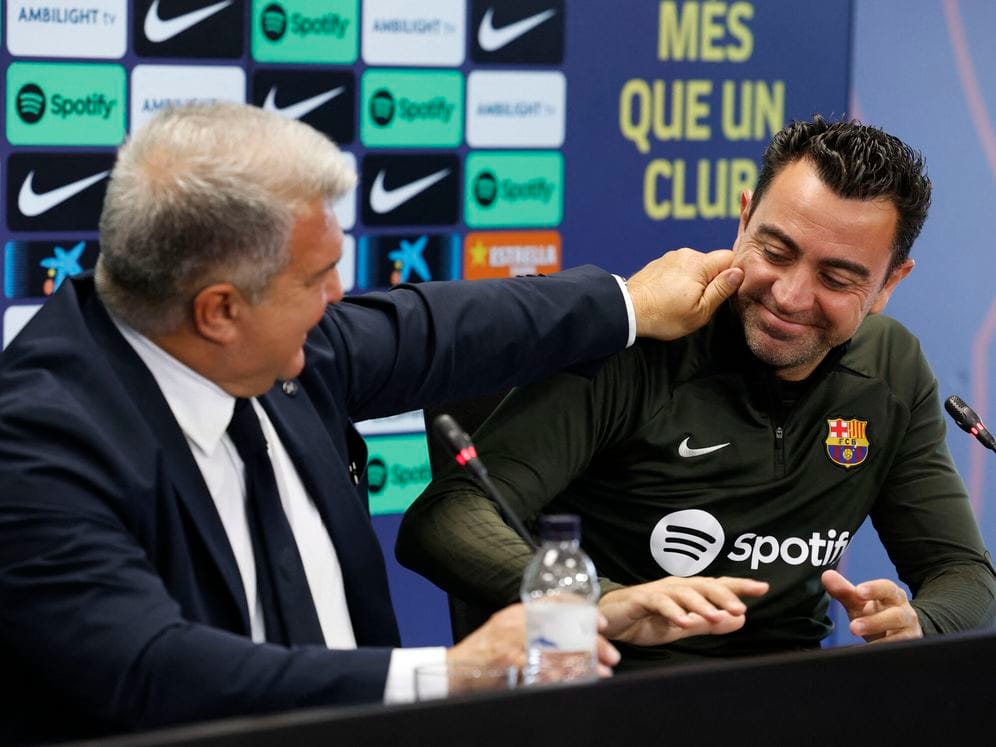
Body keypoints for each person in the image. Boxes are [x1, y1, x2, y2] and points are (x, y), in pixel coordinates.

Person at [0, 102, 745, 743]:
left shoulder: (274, 344)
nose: (339, 293)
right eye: (314, 278)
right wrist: (449, 673)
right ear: (219, 310)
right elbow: (152, 669)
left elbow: (440, 327)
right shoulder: (40, 450)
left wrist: (629, 303)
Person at [397, 116, 996, 670]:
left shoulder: (891, 369)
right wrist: (598, 603)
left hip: (791, 700)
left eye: (836, 278)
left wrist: (920, 623)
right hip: (614, 688)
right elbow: (445, 519)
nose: (789, 296)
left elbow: (963, 573)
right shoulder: (642, 342)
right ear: (744, 219)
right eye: (775, 252)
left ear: (890, 282)